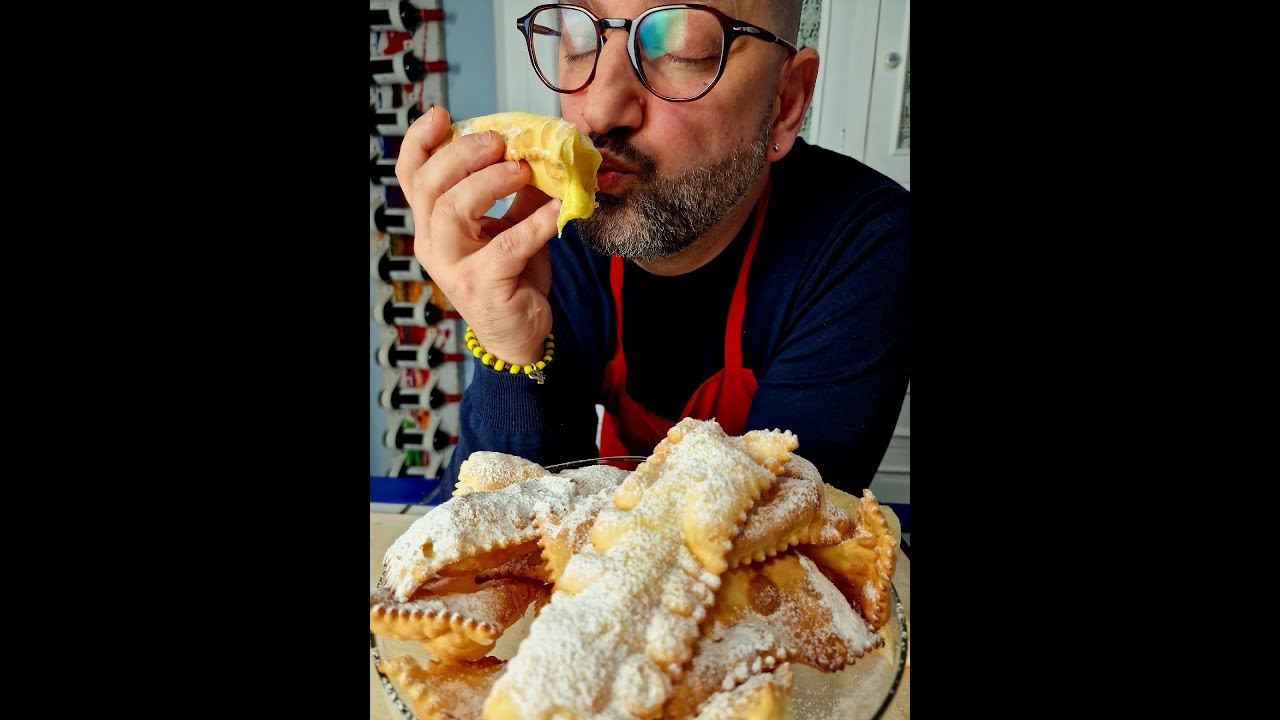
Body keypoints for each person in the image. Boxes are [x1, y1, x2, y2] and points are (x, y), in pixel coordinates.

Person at [395, 0, 910, 494]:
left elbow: (777, 552)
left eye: (680, 50)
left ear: (785, 101)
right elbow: (502, 544)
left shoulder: (864, 246)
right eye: (579, 40)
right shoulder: (555, 244)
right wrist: (509, 345)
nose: (596, 110)